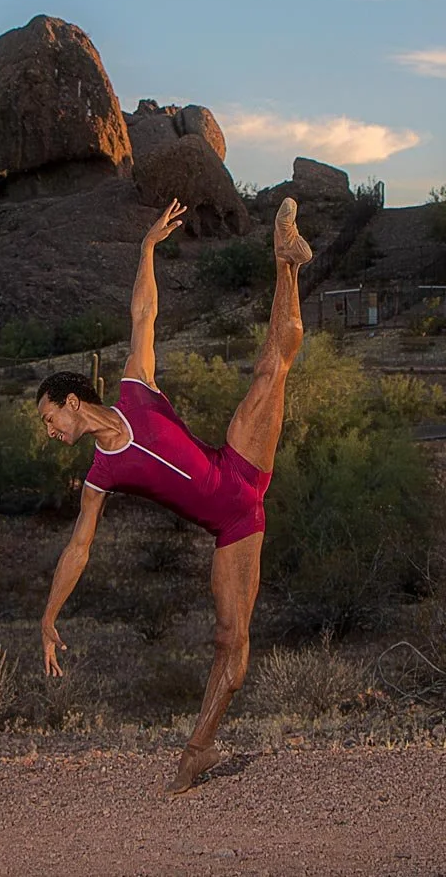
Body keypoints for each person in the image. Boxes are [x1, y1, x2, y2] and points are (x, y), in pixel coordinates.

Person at [35, 196, 311, 795]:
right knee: (229, 644)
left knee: (275, 362)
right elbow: (78, 549)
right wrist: (49, 616)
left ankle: (285, 257)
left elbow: (144, 313)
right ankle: (197, 754)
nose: (49, 430)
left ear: (72, 402)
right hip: (235, 525)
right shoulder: (99, 474)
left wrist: (145, 250)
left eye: (49, 417)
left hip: (236, 461)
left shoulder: (136, 386)